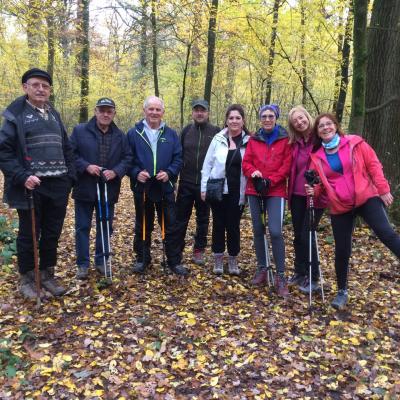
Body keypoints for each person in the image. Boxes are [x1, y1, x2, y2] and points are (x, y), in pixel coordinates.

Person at [306, 113, 400, 310]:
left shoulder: (355, 143)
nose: (325, 128)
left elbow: (374, 165)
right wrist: (312, 190)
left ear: (336, 125)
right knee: (342, 250)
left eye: (328, 124)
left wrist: (383, 189)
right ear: (317, 132)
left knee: (386, 234)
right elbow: (321, 186)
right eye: (321, 126)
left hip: (366, 197)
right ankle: (342, 291)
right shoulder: (316, 157)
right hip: (340, 205)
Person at [0, 68, 76, 299]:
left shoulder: (54, 114)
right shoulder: (16, 115)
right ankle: (27, 280)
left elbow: (67, 147)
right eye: (36, 85)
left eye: (45, 86)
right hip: (31, 185)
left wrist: (70, 176)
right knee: (29, 234)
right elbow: (4, 151)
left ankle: (47, 275)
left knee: (52, 233)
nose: (41, 89)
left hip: (58, 184)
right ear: (25, 87)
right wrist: (23, 176)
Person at [70, 98, 132, 280]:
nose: (105, 114)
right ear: (95, 111)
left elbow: (128, 158)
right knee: (82, 227)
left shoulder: (120, 136)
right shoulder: (80, 131)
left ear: (114, 113)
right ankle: (82, 264)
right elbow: (71, 154)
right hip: (85, 187)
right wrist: (86, 166)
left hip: (108, 188)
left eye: (109, 111)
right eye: (102, 110)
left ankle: (101, 260)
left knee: (105, 226)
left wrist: (117, 171)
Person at [127, 95, 187, 276]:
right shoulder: (134, 133)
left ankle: (174, 261)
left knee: (170, 224)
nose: (154, 112)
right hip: (143, 187)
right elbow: (127, 158)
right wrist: (136, 173)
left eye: (157, 109)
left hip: (164, 186)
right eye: (150, 109)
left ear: (163, 112)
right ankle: (142, 259)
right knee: (143, 225)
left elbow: (178, 158)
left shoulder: (171, 134)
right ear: (144, 110)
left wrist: (169, 172)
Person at [242, 104, 292, 297]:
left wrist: (271, 180)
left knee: (275, 231)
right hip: (254, 190)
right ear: (260, 118)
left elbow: (286, 166)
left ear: (276, 118)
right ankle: (262, 268)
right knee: (257, 229)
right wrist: (252, 173)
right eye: (264, 116)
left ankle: (280, 275)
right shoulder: (254, 139)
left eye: (271, 116)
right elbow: (246, 162)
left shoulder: (285, 139)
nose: (267, 119)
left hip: (275, 190)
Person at [201, 104, 249, 275]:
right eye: (231, 118)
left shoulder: (249, 141)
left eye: (237, 118)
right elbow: (207, 165)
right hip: (217, 189)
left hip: (238, 192)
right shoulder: (218, 139)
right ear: (226, 120)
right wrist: (203, 187)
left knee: (233, 226)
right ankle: (218, 258)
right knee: (218, 224)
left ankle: (233, 258)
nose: (234, 121)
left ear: (243, 121)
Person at [287, 106, 327, 293]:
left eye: (301, 118)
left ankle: (314, 276)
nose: (299, 122)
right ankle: (300, 271)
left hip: (315, 195)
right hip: (296, 194)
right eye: (295, 121)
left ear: (307, 117)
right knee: (297, 236)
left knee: (307, 235)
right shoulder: (295, 143)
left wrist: (318, 187)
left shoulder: (318, 140)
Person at [176, 99, 219, 265]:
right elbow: (178, 155)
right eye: (196, 110)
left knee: (203, 219)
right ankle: (176, 249)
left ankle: (199, 250)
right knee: (181, 218)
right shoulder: (186, 130)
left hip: (206, 184)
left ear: (208, 113)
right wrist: (174, 180)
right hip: (186, 182)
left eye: (203, 110)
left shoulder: (216, 131)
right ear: (193, 113)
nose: (199, 113)